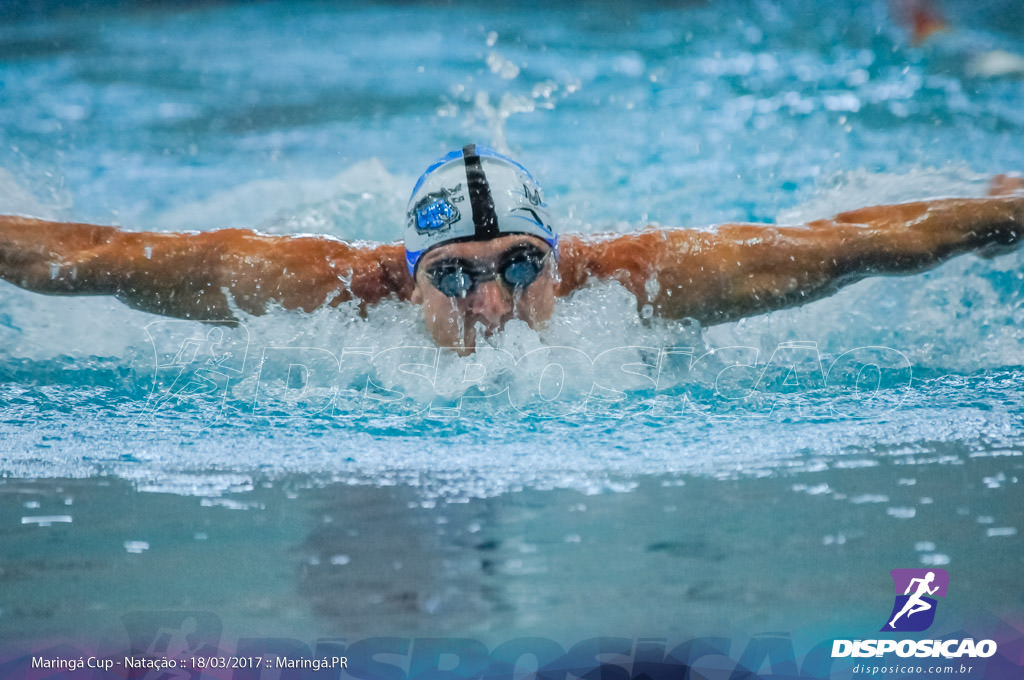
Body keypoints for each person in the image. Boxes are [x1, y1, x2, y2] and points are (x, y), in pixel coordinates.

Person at [1, 144, 1022, 353]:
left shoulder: (644, 281)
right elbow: (99, 254)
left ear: (557, 257)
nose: (491, 311)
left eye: (520, 267)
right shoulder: (315, 290)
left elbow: (853, 244)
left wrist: (1001, 216)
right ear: (409, 277)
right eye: (454, 278)